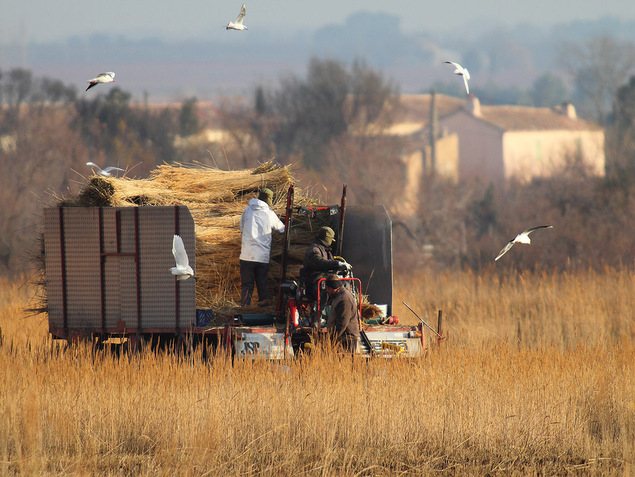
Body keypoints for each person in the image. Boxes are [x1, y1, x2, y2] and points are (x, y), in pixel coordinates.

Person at [239, 188, 285, 306]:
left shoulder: (247, 210)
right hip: (262, 257)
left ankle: (245, 309)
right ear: (267, 200)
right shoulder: (269, 214)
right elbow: (282, 229)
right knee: (262, 284)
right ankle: (263, 309)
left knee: (247, 285)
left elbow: (242, 228)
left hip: (246, 255)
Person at [302, 226, 349, 301]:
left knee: (345, 285)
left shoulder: (325, 250)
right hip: (315, 283)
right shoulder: (314, 249)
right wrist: (337, 264)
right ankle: (319, 311)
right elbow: (319, 262)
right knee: (325, 291)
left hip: (325, 281)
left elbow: (328, 264)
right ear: (328, 238)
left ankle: (342, 308)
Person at [325, 274, 360, 353]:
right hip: (343, 338)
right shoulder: (338, 297)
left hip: (346, 339)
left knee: (345, 363)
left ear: (334, 287)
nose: (327, 290)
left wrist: (333, 339)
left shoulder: (344, 299)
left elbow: (342, 322)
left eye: (328, 288)